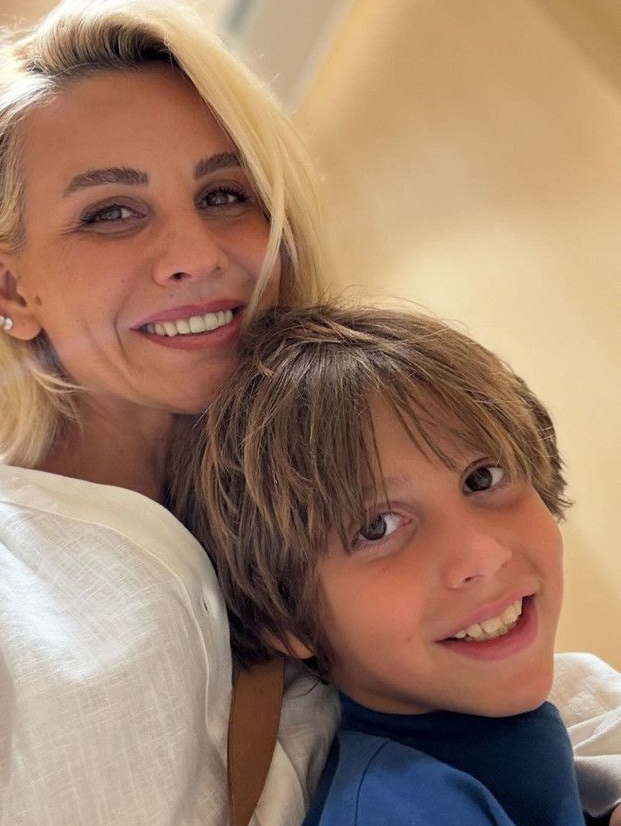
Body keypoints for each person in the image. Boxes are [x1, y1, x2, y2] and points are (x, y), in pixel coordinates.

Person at [0, 0, 617, 825]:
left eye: (226, 194)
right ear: (9, 283)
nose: (194, 254)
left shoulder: (432, 607)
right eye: (111, 213)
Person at [171, 303, 621, 825]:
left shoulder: (482, 739)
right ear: (285, 616)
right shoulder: (399, 807)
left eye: (482, 478)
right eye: (377, 527)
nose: (483, 554)